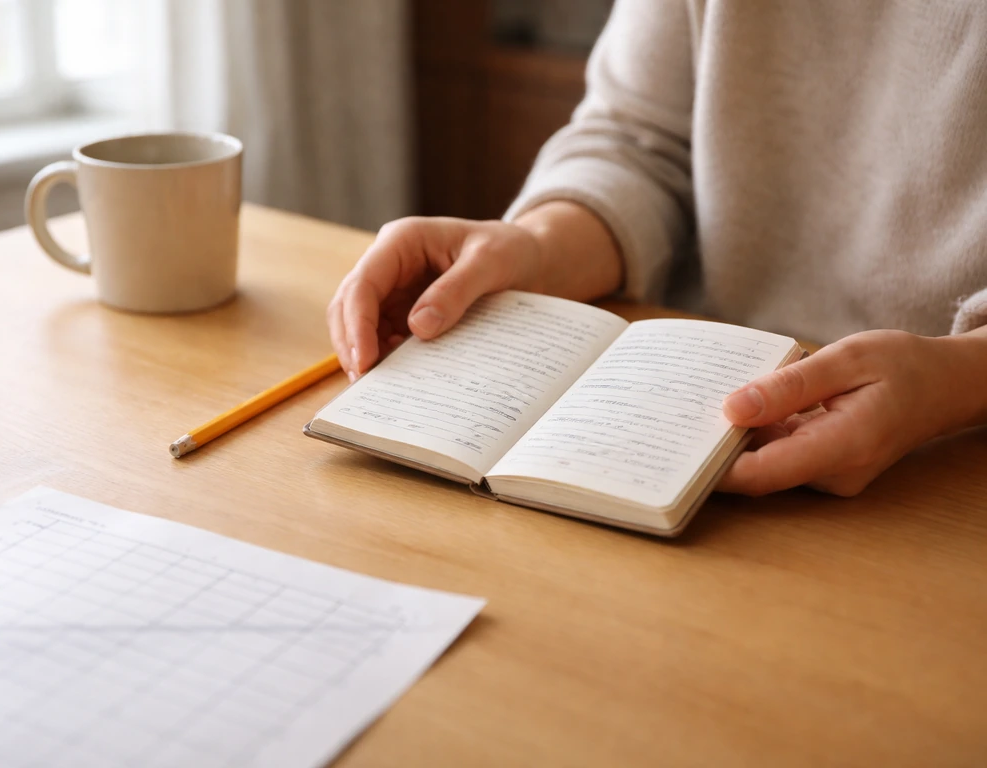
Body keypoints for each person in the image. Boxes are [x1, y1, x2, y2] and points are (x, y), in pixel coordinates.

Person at [326, 1, 987, 497]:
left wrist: (958, 380)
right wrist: (534, 243)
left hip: (950, 471)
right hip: (701, 426)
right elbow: (641, 140)